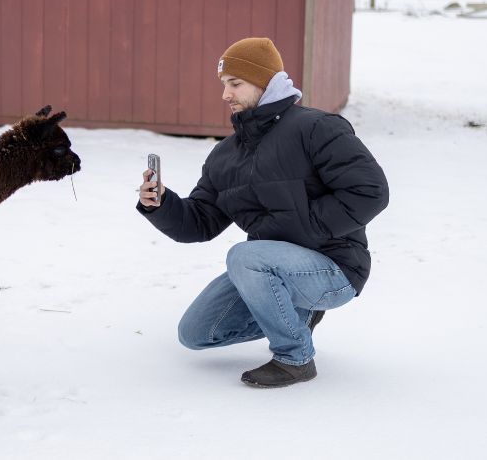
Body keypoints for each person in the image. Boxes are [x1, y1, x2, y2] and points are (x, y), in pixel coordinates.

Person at [137, 37, 390, 388]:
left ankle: (294, 357)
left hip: (335, 268)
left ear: (266, 82)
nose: (225, 95)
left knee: (245, 255)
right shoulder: (226, 155)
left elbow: (369, 192)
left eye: (235, 84)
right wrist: (161, 203)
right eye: (224, 85)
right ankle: (296, 314)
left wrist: (298, 230)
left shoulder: (316, 128)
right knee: (195, 333)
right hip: (270, 267)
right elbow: (199, 221)